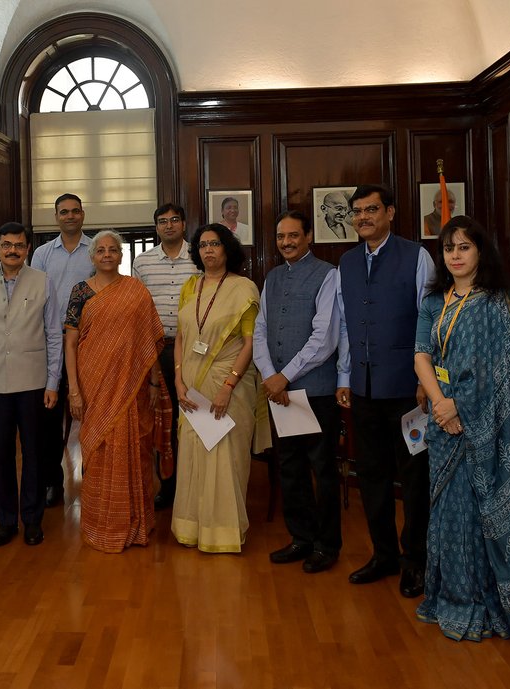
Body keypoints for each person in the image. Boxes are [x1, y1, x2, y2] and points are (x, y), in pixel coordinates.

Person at [412, 215, 510, 646]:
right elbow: (422, 355)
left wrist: (461, 404)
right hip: (444, 426)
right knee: (448, 512)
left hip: (486, 428)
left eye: (464, 247)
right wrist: (441, 403)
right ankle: (454, 597)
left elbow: (506, 369)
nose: (455, 256)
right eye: (448, 249)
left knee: (481, 516)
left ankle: (490, 601)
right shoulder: (433, 301)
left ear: (480, 252)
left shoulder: (499, 301)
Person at [336, 183, 434, 597]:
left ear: (390, 213)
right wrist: (344, 378)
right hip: (363, 389)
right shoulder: (345, 262)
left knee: (415, 479)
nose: (363, 217)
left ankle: (416, 561)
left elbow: (430, 319)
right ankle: (383, 555)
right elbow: (344, 324)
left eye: (371, 210)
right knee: (371, 475)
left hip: (407, 390)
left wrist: (425, 383)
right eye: (357, 212)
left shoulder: (417, 256)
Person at [65, 230, 167, 553]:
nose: (107, 255)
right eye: (101, 250)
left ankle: (135, 523)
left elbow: (149, 341)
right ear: (92, 256)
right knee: (99, 449)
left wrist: (152, 382)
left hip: (133, 387)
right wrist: (74, 391)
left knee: (134, 449)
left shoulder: (136, 290)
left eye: (113, 250)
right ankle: (101, 525)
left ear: (121, 256)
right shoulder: (80, 292)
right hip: (94, 384)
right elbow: (70, 342)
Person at [256, 211, 342, 574]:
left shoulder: (329, 275)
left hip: (315, 390)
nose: (286, 242)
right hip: (280, 391)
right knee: (290, 467)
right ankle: (301, 538)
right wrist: (269, 375)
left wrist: (284, 376)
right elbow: (259, 329)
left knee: (321, 470)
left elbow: (325, 338)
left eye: (293, 235)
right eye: (280, 237)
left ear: (309, 236)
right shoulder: (272, 277)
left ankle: (326, 545)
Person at [172, 223, 265, 553]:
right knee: (193, 455)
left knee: (224, 457)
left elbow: (252, 342)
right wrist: (178, 379)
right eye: (202, 245)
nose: (208, 250)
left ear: (227, 249)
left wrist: (228, 385)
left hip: (230, 384)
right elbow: (182, 336)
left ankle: (222, 533)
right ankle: (191, 527)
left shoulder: (244, 288)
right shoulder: (190, 286)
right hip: (192, 384)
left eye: (215, 244)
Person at [0, 222, 60, 546]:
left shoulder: (43, 282)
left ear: (28, 249)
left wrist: (52, 382)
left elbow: (53, 335)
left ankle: (32, 519)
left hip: (33, 381)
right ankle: (6, 520)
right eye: (6, 245)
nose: (12, 251)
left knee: (34, 454)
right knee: (0, 455)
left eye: (19, 245)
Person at [132, 203, 199, 510]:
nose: (169, 225)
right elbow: (137, 307)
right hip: (156, 350)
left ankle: (194, 484)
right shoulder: (142, 262)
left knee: (193, 416)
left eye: (174, 220)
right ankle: (168, 485)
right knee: (163, 419)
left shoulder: (199, 258)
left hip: (195, 350)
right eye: (162, 222)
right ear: (156, 228)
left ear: (184, 224)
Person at [30, 193, 93, 507]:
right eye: (63, 212)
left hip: (89, 345)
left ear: (83, 214)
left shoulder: (95, 250)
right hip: (51, 345)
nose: (70, 216)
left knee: (92, 414)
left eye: (75, 211)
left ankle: (94, 480)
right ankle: (52, 483)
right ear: (56, 217)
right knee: (50, 420)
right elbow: (34, 295)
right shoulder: (42, 254)